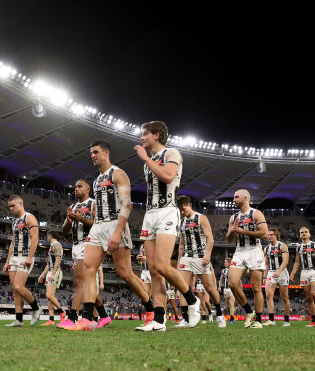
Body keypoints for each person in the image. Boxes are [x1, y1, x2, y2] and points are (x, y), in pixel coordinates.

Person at [66, 140, 153, 331]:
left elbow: (127, 205)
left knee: (125, 274)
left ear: (106, 152)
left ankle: (150, 310)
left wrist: (116, 233)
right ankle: (87, 319)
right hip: (98, 226)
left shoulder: (118, 173)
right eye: (91, 153)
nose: (93, 156)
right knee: (88, 270)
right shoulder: (96, 181)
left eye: (96, 152)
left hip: (116, 224)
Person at [134, 122, 201, 331]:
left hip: (167, 211)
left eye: (145, 134)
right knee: (153, 270)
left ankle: (192, 300)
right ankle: (159, 320)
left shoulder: (172, 152)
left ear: (157, 135)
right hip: (149, 214)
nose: (141, 137)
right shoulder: (148, 162)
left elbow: (168, 176)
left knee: (162, 265)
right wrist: (147, 160)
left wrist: (145, 158)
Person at [176, 195, 226, 328]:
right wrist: (179, 261)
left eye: (184, 208)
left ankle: (220, 315)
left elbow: (210, 238)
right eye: (180, 209)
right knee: (182, 288)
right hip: (186, 257)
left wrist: (207, 255)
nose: (182, 211)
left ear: (189, 204)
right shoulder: (181, 222)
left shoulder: (201, 218)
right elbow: (181, 244)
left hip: (201, 257)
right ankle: (186, 319)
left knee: (210, 288)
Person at [58, 179, 101, 328]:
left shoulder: (93, 203)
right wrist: (70, 220)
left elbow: (99, 223)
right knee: (84, 285)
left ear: (88, 189)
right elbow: (64, 230)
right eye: (75, 187)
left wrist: (81, 218)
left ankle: (72, 317)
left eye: (79, 186)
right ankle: (103, 316)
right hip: (75, 247)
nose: (76, 189)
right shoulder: (73, 206)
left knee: (79, 282)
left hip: (89, 244)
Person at [226, 189, 268, 329]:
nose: (234, 200)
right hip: (239, 251)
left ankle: (258, 321)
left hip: (254, 251)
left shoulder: (256, 213)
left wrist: (243, 231)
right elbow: (228, 240)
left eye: (236, 197)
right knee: (232, 283)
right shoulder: (233, 217)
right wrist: (232, 231)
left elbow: (264, 233)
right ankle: (249, 312)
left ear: (245, 198)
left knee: (256, 289)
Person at [3, 195, 41, 327]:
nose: (11, 208)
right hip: (14, 257)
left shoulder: (29, 217)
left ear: (21, 203)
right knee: (15, 290)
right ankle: (19, 320)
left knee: (19, 286)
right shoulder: (14, 222)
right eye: (9, 206)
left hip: (25, 256)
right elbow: (12, 242)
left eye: (13, 205)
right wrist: (7, 261)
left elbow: (35, 238)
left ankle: (36, 308)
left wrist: (30, 256)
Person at [289, 227, 315, 327]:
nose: (304, 234)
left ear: (309, 234)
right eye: (301, 232)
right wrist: (292, 273)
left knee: (314, 294)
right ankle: (313, 320)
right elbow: (297, 262)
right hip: (304, 272)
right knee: (308, 298)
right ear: (299, 235)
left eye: (305, 232)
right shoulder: (298, 247)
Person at [262, 228, 290, 327]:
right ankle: (271, 320)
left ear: (276, 235)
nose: (269, 236)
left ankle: (286, 320)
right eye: (268, 235)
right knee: (268, 295)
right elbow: (266, 264)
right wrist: (264, 276)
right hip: (271, 273)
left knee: (285, 297)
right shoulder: (266, 248)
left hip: (282, 273)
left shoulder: (282, 246)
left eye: (271, 235)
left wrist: (278, 271)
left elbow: (285, 261)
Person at [39, 231, 66, 326]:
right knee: (50, 298)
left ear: (49, 236)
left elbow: (58, 260)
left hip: (55, 272)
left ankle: (61, 312)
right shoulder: (52, 246)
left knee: (49, 295)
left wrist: (53, 273)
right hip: (50, 272)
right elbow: (49, 263)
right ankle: (51, 320)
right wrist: (42, 275)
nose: (46, 237)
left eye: (47, 236)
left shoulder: (56, 245)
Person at [218, 258, 236, 324]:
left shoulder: (233, 270)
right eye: (224, 262)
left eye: (226, 262)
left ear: (229, 263)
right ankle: (231, 317)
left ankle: (232, 318)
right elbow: (221, 279)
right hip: (225, 289)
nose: (224, 263)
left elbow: (238, 280)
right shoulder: (223, 271)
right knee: (228, 304)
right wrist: (219, 287)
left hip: (232, 289)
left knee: (231, 303)